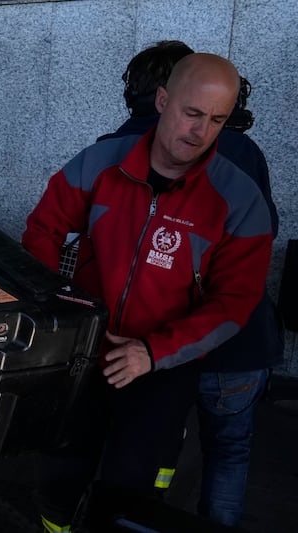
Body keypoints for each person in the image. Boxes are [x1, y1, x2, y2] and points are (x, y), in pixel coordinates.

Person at [22, 53, 273, 532]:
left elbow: (234, 302)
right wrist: (67, 318)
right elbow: (42, 231)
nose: (200, 132)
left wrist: (153, 352)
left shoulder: (239, 200)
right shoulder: (100, 162)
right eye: (192, 113)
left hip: (162, 368)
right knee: (60, 471)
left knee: (132, 490)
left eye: (217, 120)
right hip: (85, 355)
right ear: (162, 101)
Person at [98, 41, 283, 528]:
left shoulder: (109, 152)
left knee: (148, 450)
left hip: (149, 347)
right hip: (235, 347)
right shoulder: (242, 151)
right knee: (229, 451)